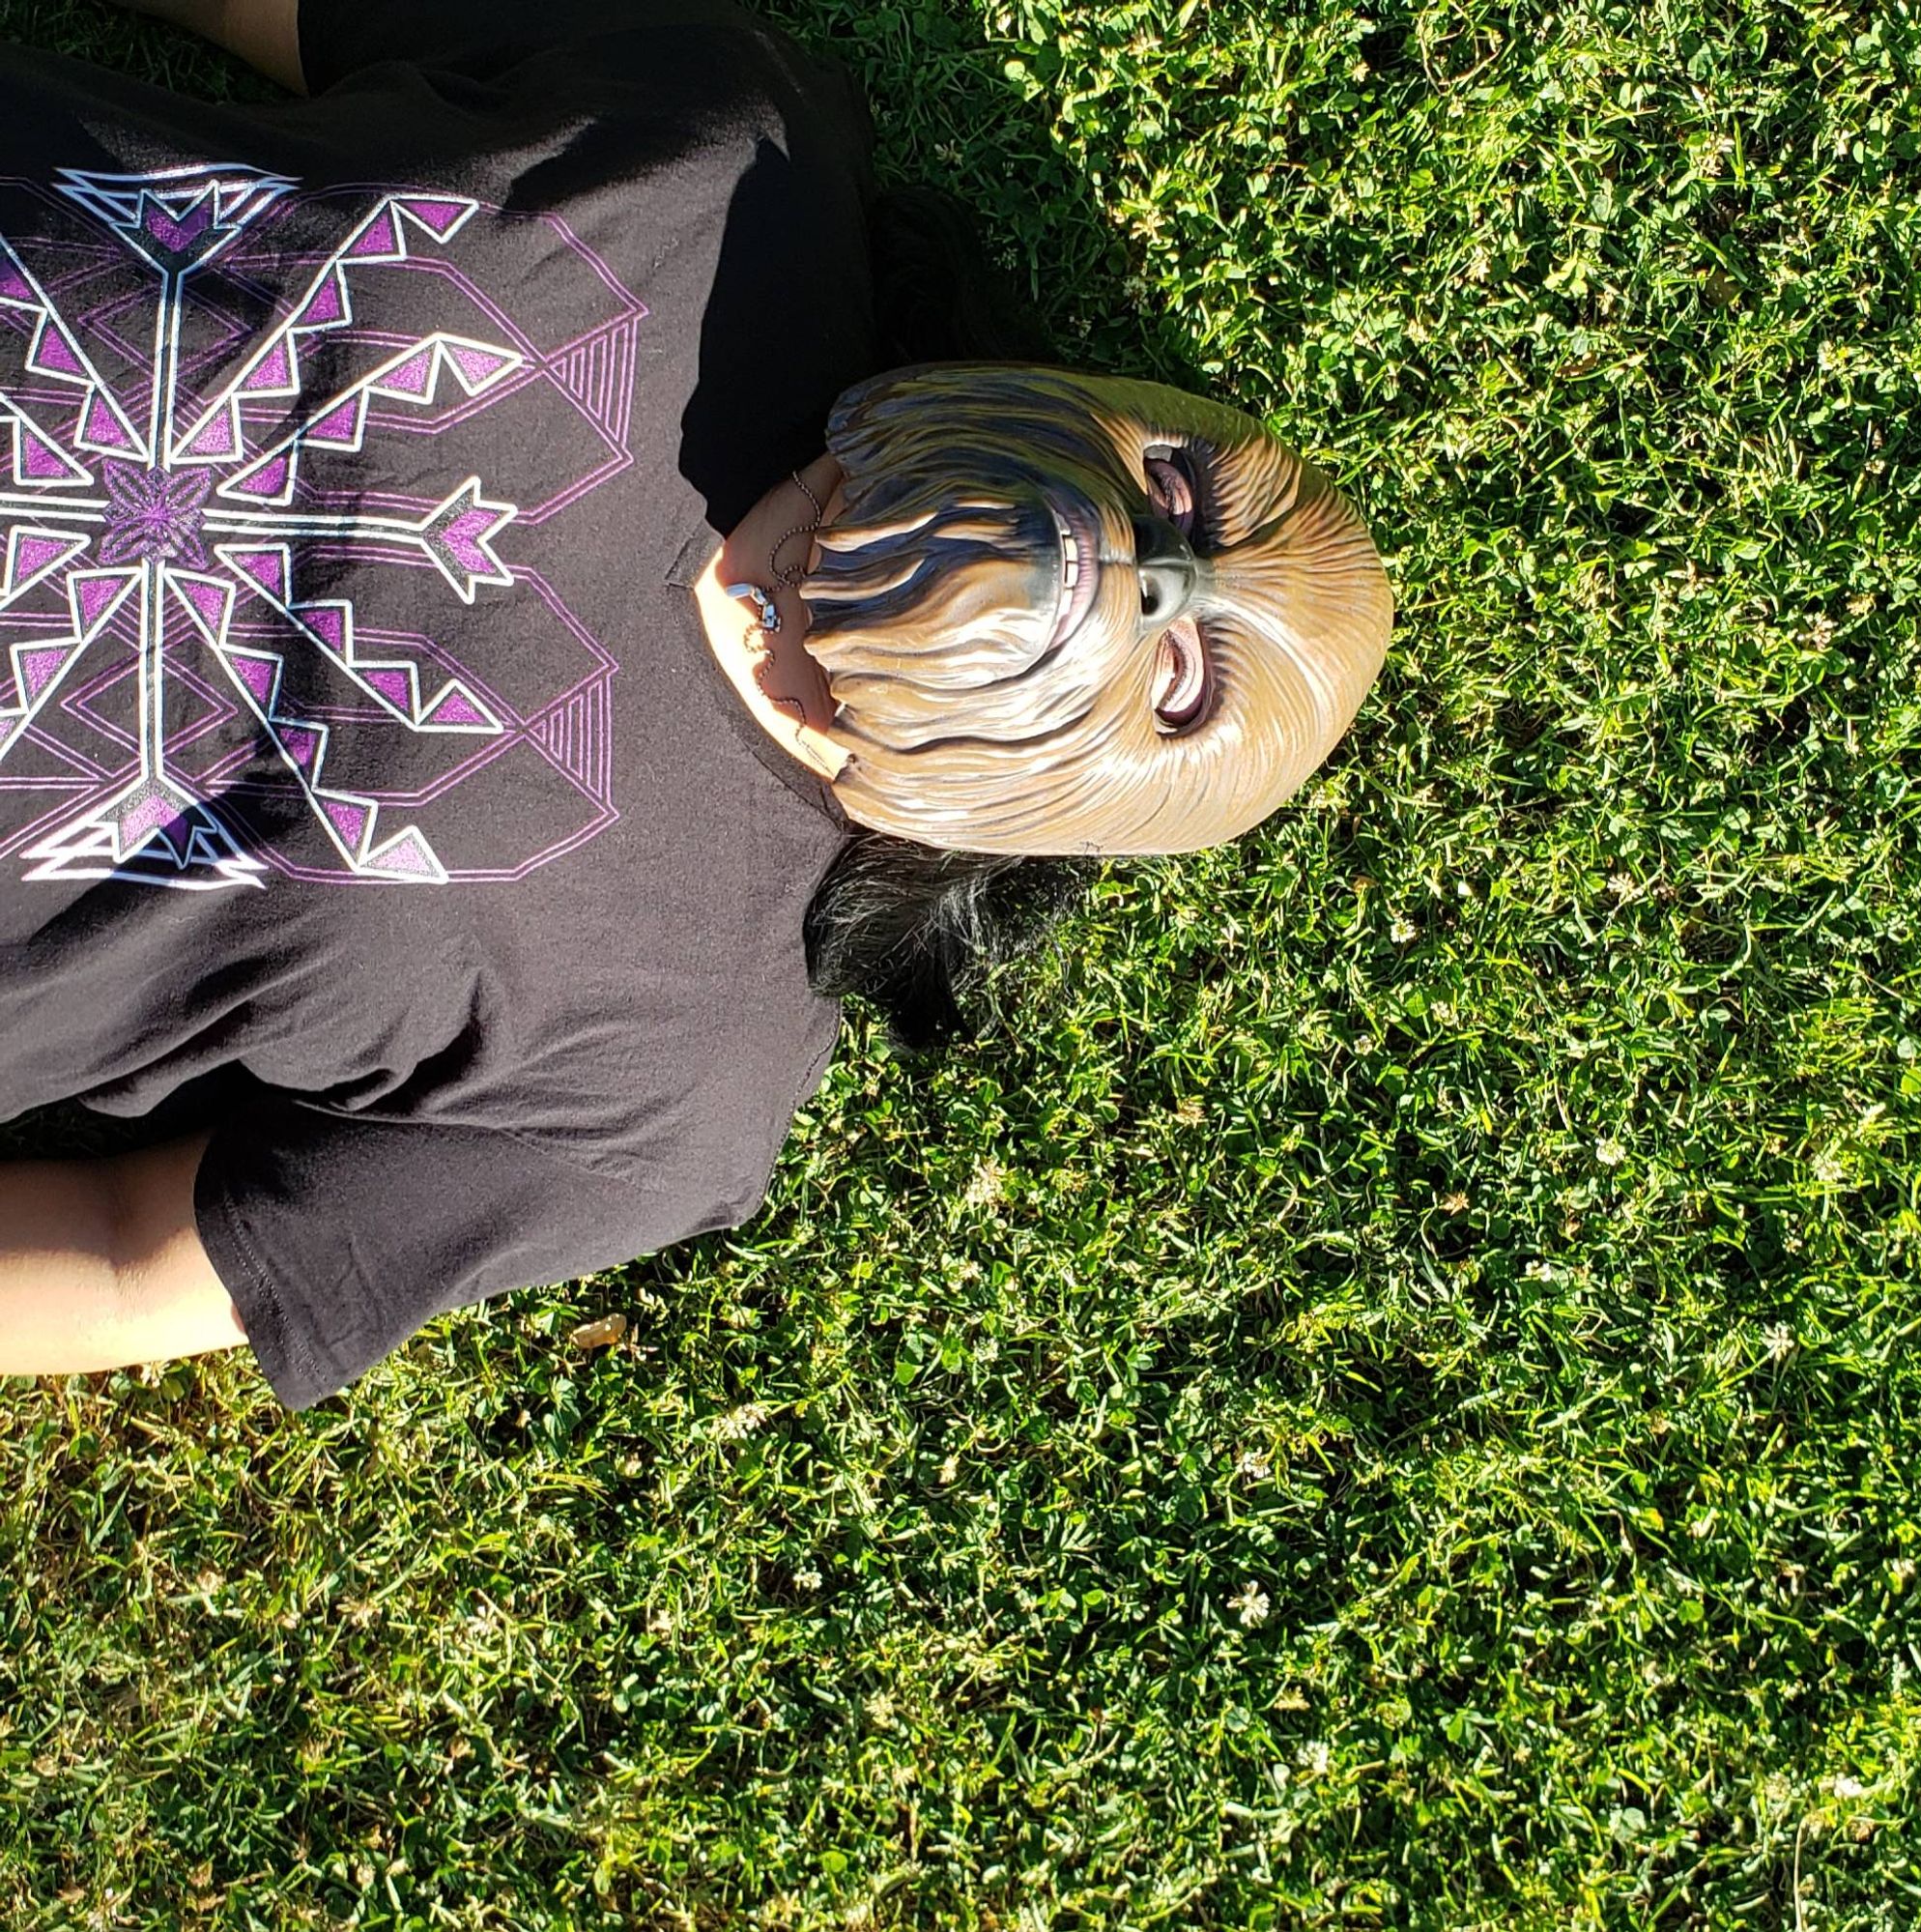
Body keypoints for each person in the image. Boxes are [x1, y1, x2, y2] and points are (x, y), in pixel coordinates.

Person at [0, 0, 1392, 1409]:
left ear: (1054, 809)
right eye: (1185, 499)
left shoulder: (671, 1080)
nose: (1156, 574)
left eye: (1180, 679)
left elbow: (131, 1257)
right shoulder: (728, 166)